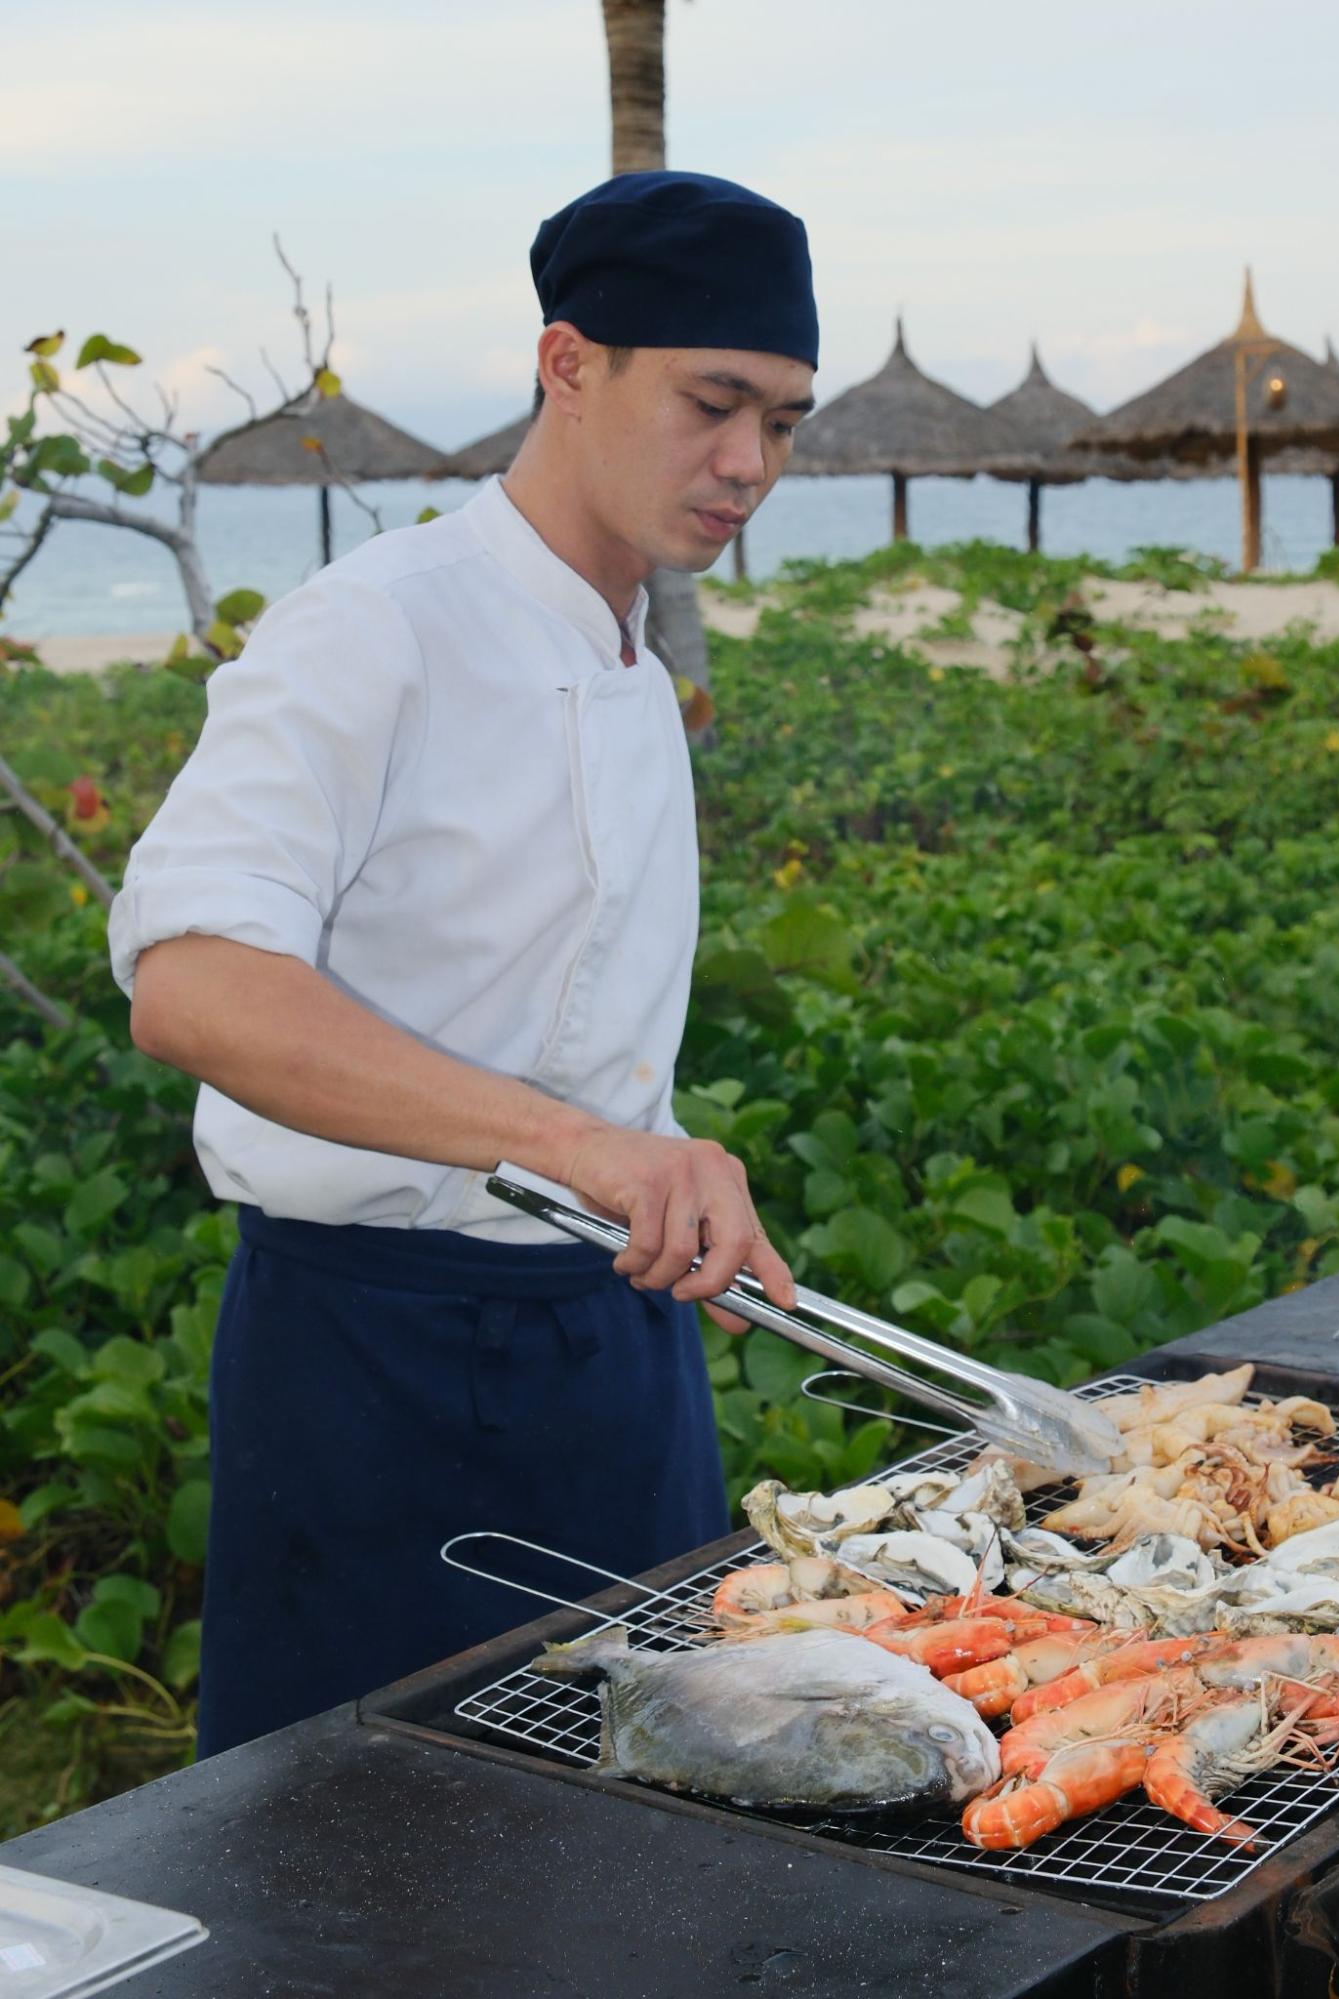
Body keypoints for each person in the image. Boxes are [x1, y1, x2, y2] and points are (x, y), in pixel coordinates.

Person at [107, 171, 819, 1755]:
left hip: (620, 1356)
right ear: (568, 365)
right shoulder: (376, 628)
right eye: (714, 404)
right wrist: (581, 1146)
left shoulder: (638, 665)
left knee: (660, 1853)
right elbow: (194, 980)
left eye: (783, 420)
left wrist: (655, 1171)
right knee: (346, 1873)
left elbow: (570, 1031)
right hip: (370, 1358)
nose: (749, 465)